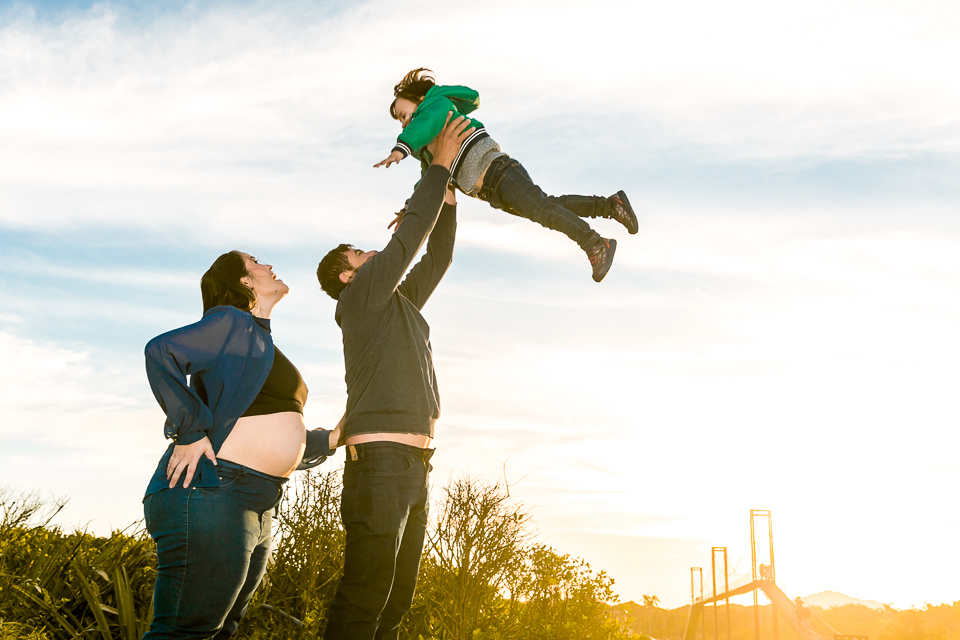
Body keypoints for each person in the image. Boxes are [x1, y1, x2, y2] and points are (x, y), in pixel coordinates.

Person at [315, 114, 473, 639]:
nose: (371, 251)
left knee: (396, 600)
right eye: (359, 253)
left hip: (414, 466)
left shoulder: (396, 302)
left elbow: (438, 255)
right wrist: (438, 168)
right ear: (346, 275)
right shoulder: (359, 299)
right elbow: (406, 244)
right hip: (379, 465)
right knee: (366, 595)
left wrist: (445, 200)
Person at [142, 250, 341, 639]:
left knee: (221, 630)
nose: (268, 265)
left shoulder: (256, 341)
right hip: (214, 492)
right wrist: (191, 431)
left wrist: (329, 439)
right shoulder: (232, 322)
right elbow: (160, 351)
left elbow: (249, 416)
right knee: (186, 632)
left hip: (257, 500)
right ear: (245, 281)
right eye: (255, 261)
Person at [374, 67, 639, 283]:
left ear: (420, 99)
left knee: (545, 211)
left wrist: (401, 148)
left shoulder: (436, 106)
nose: (403, 121)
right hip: (491, 191)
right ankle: (610, 205)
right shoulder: (429, 151)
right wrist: (409, 208)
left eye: (402, 113)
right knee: (548, 206)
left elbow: (424, 123)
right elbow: (428, 181)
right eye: (399, 121)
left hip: (498, 171)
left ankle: (595, 244)